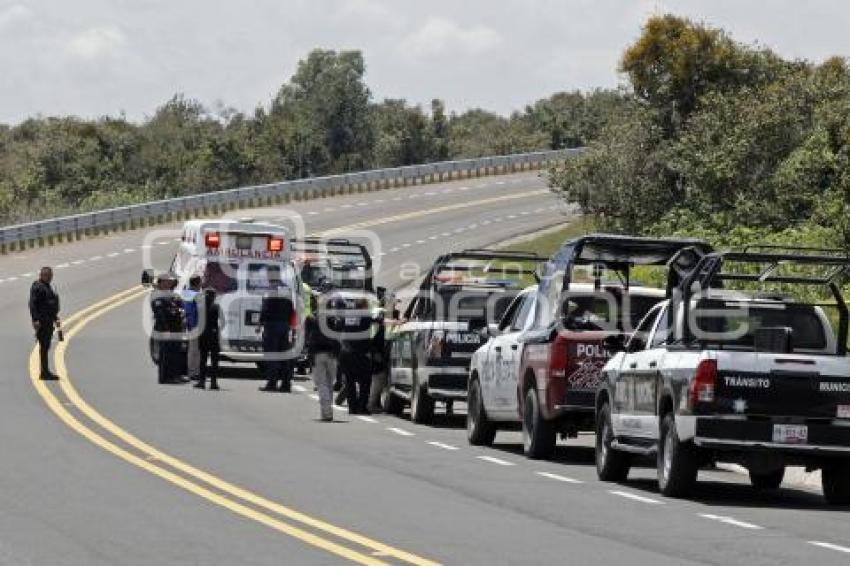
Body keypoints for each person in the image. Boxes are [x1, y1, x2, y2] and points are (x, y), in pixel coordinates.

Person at [258, 268, 297, 392]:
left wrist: (260, 324)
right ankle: (286, 384)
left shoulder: (270, 290)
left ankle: (272, 383)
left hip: (271, 325)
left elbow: (265, 308)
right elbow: (292, 308)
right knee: (284, 354)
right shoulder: (287, 289)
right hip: (284, 325)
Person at [306, 296, 341, 421]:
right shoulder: (335, 319)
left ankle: (327, 412)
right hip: (332, 355)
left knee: (322, 384)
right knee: (329, 384)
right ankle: (327, 411)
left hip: (317, 354)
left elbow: (307, 338)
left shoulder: (311, 318)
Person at [151, 274, 186, 384]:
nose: (170, 283)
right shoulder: (157, 296)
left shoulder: (171, 295)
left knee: (175, 353)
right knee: (166, 354)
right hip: (165, 329)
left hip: (176, 329)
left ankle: (175, 375)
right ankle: (165, 377)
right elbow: (160, 314)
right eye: (167, 282)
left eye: (170, 282)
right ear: (161, 283)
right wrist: (166, 329)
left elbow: (179, 306)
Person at [29, 266, 61, 380]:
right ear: (42, 275)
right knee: (44, 346)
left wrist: (55, 318)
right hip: (42, 322)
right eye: (48, 275)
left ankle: (45, 371)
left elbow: (49, 305)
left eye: (51, 275)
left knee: (46, 346)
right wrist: (35, 320)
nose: (51, 278)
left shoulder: (47, 287)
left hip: (48, 320)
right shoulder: (38, 287)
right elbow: (32, 304)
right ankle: (44, 372)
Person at [195, 288, 221, 390]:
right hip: (213, 334)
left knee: (203, 359)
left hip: (203, 334)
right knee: (214, 359)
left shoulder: (200, 307)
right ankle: (213, 382)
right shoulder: (216, 307)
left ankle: (202, 381)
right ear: (214, 297)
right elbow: (222, 322)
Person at [181, 275, 202, 381]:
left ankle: (196, 371)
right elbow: (191, 312)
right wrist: (194, 326)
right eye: (200, 282)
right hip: (194, 326)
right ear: (197, 283)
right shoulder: (192, 295)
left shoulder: (187, 293)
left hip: (192, 325)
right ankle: (193, 371)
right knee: (194, 350)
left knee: (195, 350)